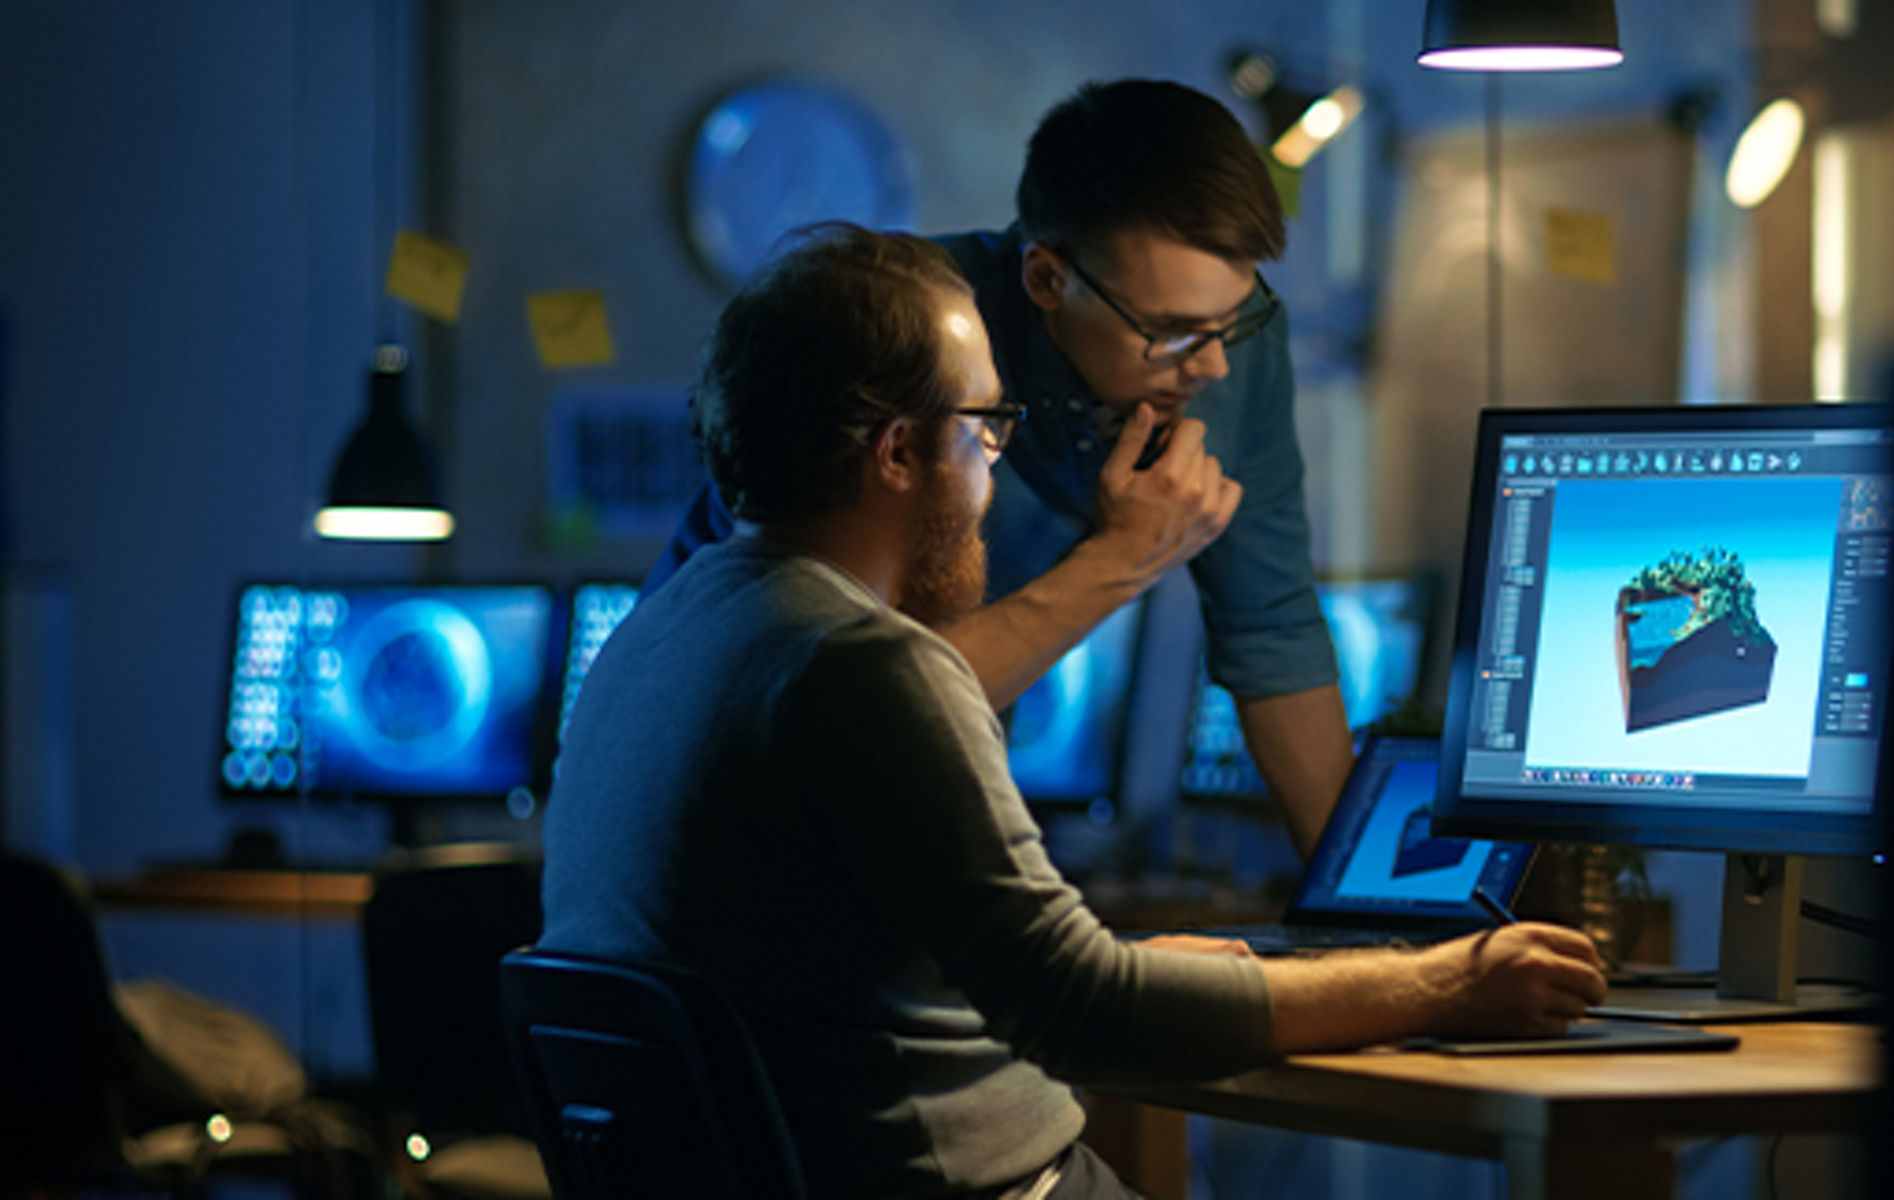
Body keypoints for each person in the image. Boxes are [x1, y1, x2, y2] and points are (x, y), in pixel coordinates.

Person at [541, 225, 1608, 1200]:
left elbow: (971, 973)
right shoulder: (862, 668)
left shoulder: (661, 638)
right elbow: (1081, 1013)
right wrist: (1441, 983)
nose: (998, 466)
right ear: (898, 453)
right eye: (984, 426)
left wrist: (1196, 965)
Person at [647, 79, 1350, 856]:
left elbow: (1275, 631)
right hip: (728, 790)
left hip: (933, 778)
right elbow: (857, 715)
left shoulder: (1230, 347)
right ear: (1046, 278)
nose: (1214, 364)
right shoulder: (894, 335)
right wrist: (1121, 561)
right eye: (1171, 331)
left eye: (1233, 319)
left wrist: (1368, 910)